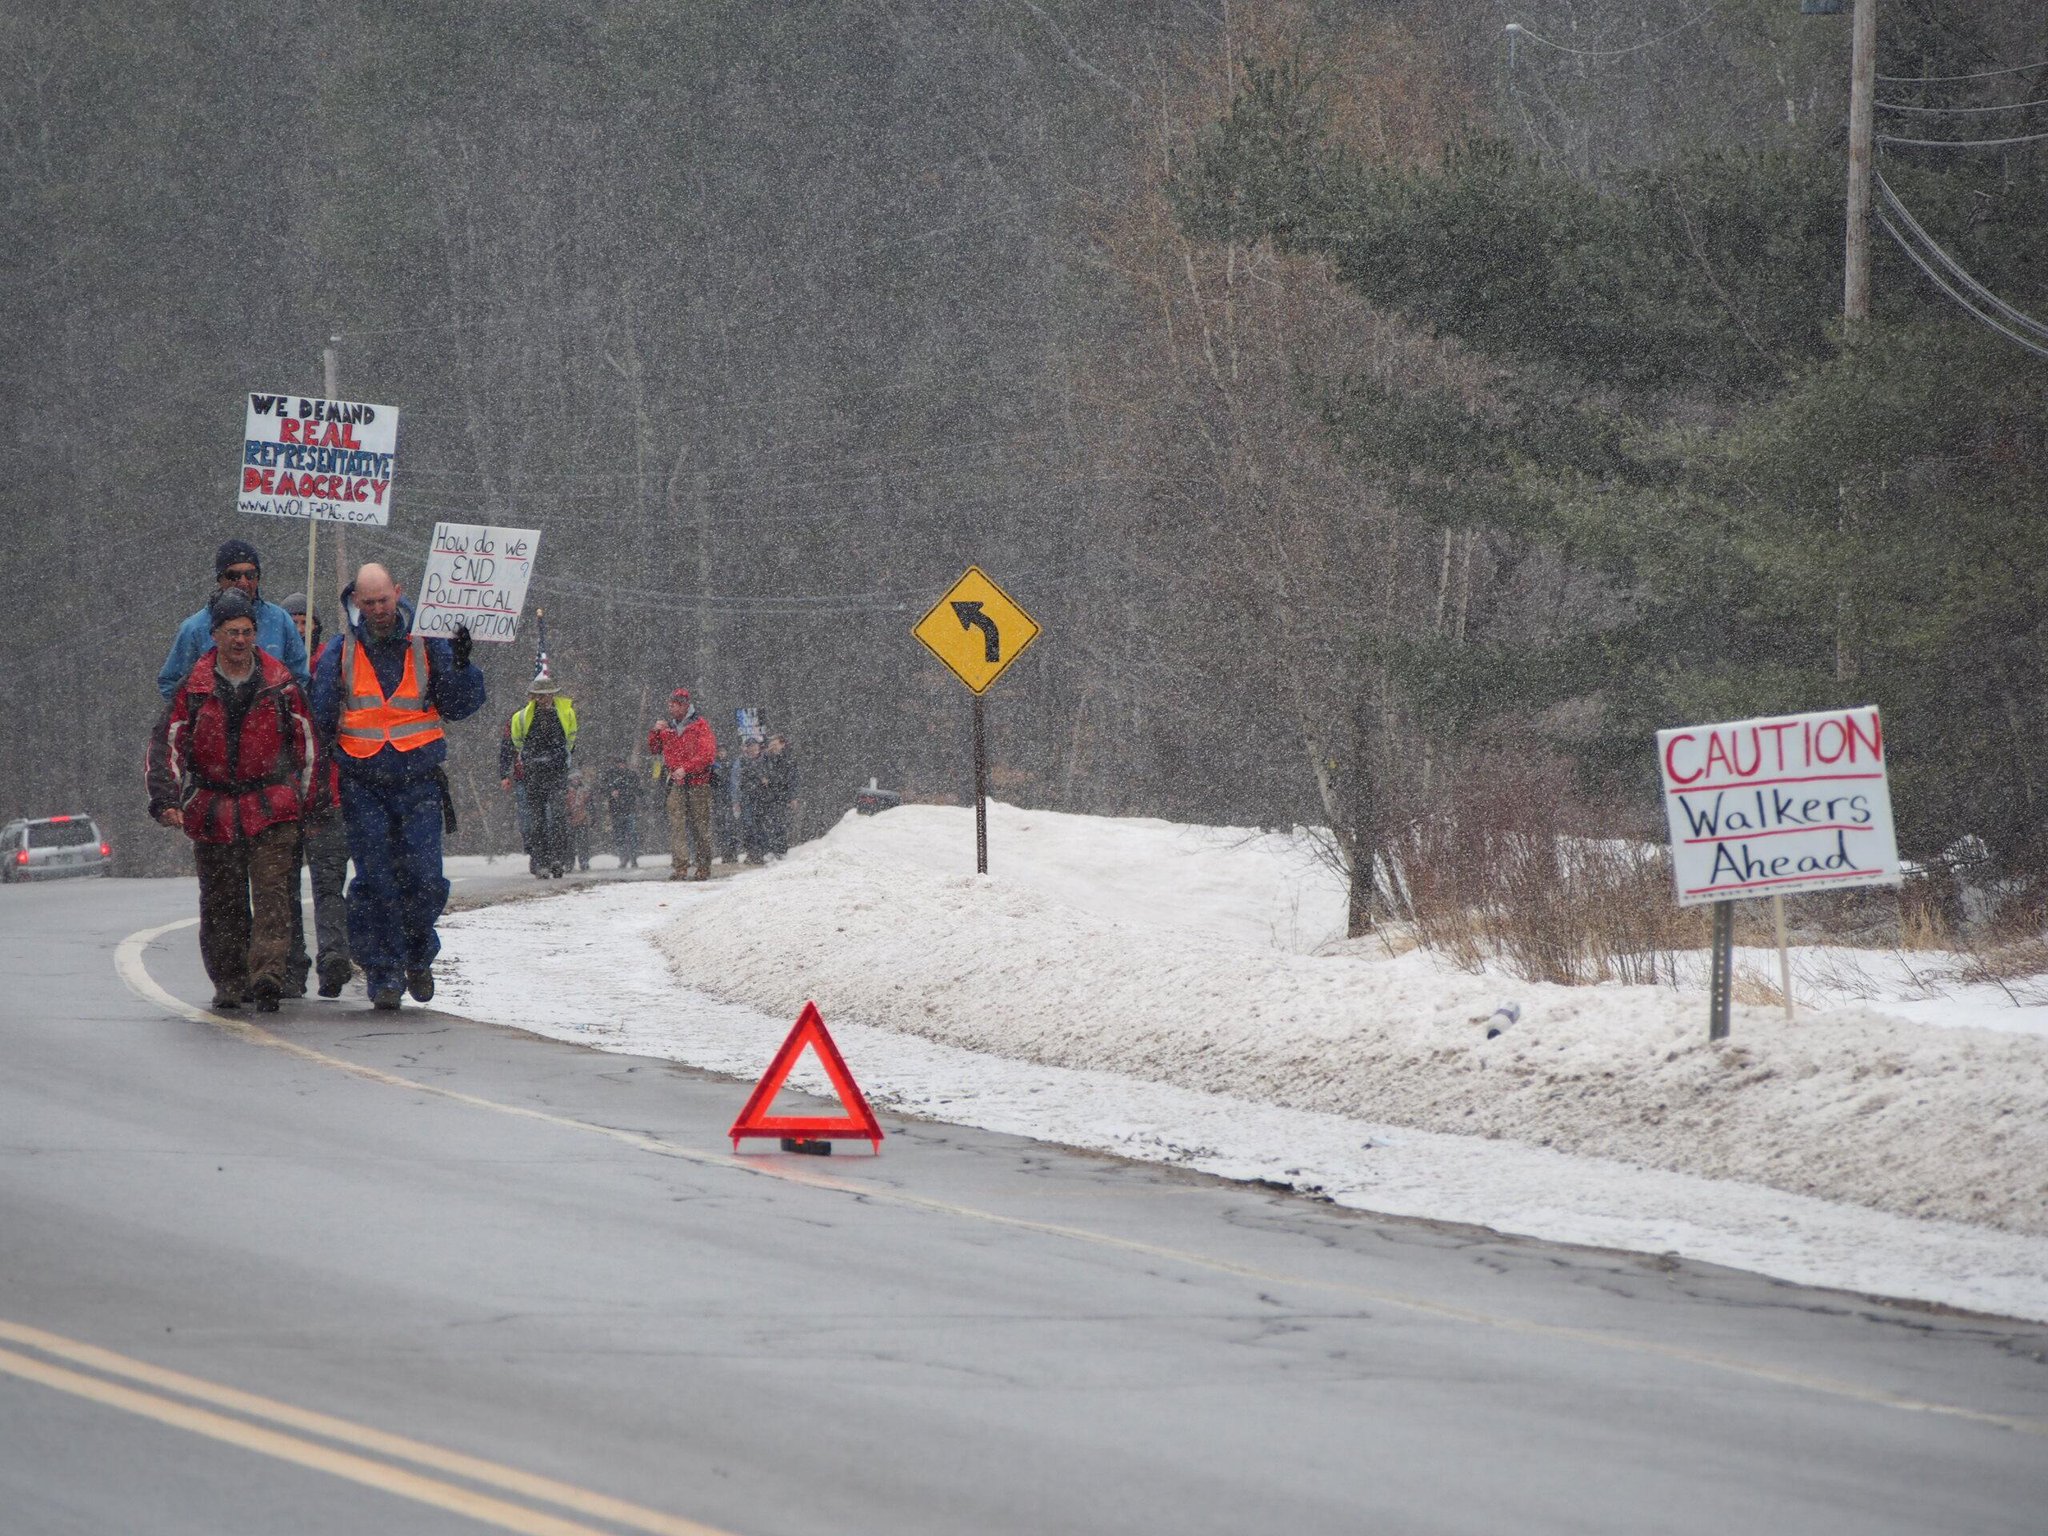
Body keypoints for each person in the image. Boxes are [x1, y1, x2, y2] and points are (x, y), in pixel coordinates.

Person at [310, 563, 485, 1011]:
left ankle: (417, 955)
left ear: (398, 594)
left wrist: (463, 664)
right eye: (367, 603)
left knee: (425, 879)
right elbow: (320, 718)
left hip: (420, 782)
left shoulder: (429, 644)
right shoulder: (340, 651)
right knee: (375, 883)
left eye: (382, 600)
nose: (376, 610)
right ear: (355, 602)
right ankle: (384, 974)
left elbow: (460, 706)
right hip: (363, 785)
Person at [146, 588, 317, 1012]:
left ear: (256, 635)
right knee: (222, 901)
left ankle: (267, 978)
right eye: (231, 632)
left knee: (273, 896)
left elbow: (310, 746)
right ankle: (229, 980)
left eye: (246, 632)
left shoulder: (282, 686)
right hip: (213, 808)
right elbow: (165, 745)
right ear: (215, 635)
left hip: (272, 806)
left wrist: (309, 805)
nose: (240, 640)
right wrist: (166, 799)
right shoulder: (194, 689)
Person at [280, 593, 353, 998]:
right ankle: (292, 965)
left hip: (329, 794)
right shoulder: (273, 672)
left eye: (307, 621)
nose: (301, 629)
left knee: (328, 885)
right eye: (293, 621)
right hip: (286, 798)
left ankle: (333, 959)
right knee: (286, 887)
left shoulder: (334, 665)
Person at [158, 539, 309, 701]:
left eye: (250, 575)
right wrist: (198, 713)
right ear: (220, 579)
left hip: (268, 722)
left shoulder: (280, 620)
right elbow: (170, 682)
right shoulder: (194, 628)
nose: (243, 582)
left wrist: (280, 712)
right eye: (234, 576)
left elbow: (299, 677)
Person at [505, 670, 577, 878]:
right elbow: (518, 742)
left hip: (556, 771)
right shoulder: (521, 717)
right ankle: (541, 861)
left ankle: (557, 859)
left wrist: (561, 759)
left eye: (547, 695)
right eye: (540, 695)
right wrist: (531, 760)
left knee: (557, 816)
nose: (544, 699)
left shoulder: (565, 713)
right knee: (536, 820)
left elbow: (570, 741)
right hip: (534, 773)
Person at [647, 688, 715, 880]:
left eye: (674, 704)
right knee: (676, 824)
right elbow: (654, 749)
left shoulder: (701, 726)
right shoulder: (667, 728)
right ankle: (680, 867)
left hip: (698, 782)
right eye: (670, 703)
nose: (670, 707)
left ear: (685, 705)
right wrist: (655, 732)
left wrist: (686, 768)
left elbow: (707, 755)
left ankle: (703, 866)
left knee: (700, 826)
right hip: (676, 783)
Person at [759, 733, 801, 858]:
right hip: (768, 795)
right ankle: (771, 850)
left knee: (780, 823)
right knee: (768, 823)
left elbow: (793, 779)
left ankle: (781, 850)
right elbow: (759, 769)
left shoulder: (789, 759)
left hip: (783, 795)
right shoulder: (766, 757)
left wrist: (793, 797)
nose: (773, 747)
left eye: (775, 744)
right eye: (771, 744)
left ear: (782, 744)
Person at [599, 754, 643, 869]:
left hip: (628, 809)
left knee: (630, 835)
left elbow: (639, 790)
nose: (621, 766)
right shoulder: (610, 775)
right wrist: (610, 792)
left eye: (622, 763)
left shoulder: (631, 775)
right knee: (620, 836)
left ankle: (632, 858)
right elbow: (602, 789)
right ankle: (624, 858)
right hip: (617, 810)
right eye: (619, 764)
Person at [738, 736, 770, 864]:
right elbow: (740, 780)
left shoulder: (765, 759)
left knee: (762, 826)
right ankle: (752, 853)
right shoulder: (742, 761)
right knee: (748, 826)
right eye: (750, 746)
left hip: (762, 798)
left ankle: (763, 853)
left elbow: (770, 775)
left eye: (755, 745)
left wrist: (764, 779)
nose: (753, 748)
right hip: (748, 798)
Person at [709, 743, 740, 864]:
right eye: (719, 751)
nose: (721, 754)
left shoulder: (732, 764)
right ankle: (725, 853)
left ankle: (733, 853)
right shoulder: (712, 765)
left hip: (729, 799)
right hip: (718, 799)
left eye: (723, 751)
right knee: (721, 827)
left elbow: (734, 781)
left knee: (732, 826)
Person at [566, 767, 593, 872]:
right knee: (570, 844)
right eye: (574, 778)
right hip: (570, 820)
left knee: (583, 843)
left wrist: (592, 815)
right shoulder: (566, 790)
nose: (576, 780)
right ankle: (569, 863)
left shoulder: (585, 790)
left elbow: (590, 804)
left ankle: (584, 861)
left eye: (578, 778)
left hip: (583, 819)